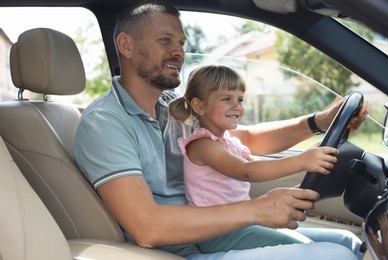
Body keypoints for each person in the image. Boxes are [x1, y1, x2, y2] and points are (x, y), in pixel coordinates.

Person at [73, 2, 368, 259]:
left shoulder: (170, 107)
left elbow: (244, 139)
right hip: (178, 252)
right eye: (165, 40)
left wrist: (319, 122)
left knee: (350, 242)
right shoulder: (106, 122)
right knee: (337, 256)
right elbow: (148, 228)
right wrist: (257, 210)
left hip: (212, 237)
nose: (178, 52)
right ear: (126, 45)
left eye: (182, 43)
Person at [168, 64, 339, 251]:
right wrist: (301, 161)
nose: (236, 106)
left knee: (333, 242)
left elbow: (261, 167)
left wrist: (308, 165)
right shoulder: (202, 145)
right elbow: (247, 171)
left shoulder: (229, 142)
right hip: (216, 233)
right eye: (226, 99)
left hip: (241, 223)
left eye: (240, 99)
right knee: (311, 249)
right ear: (199, 106)